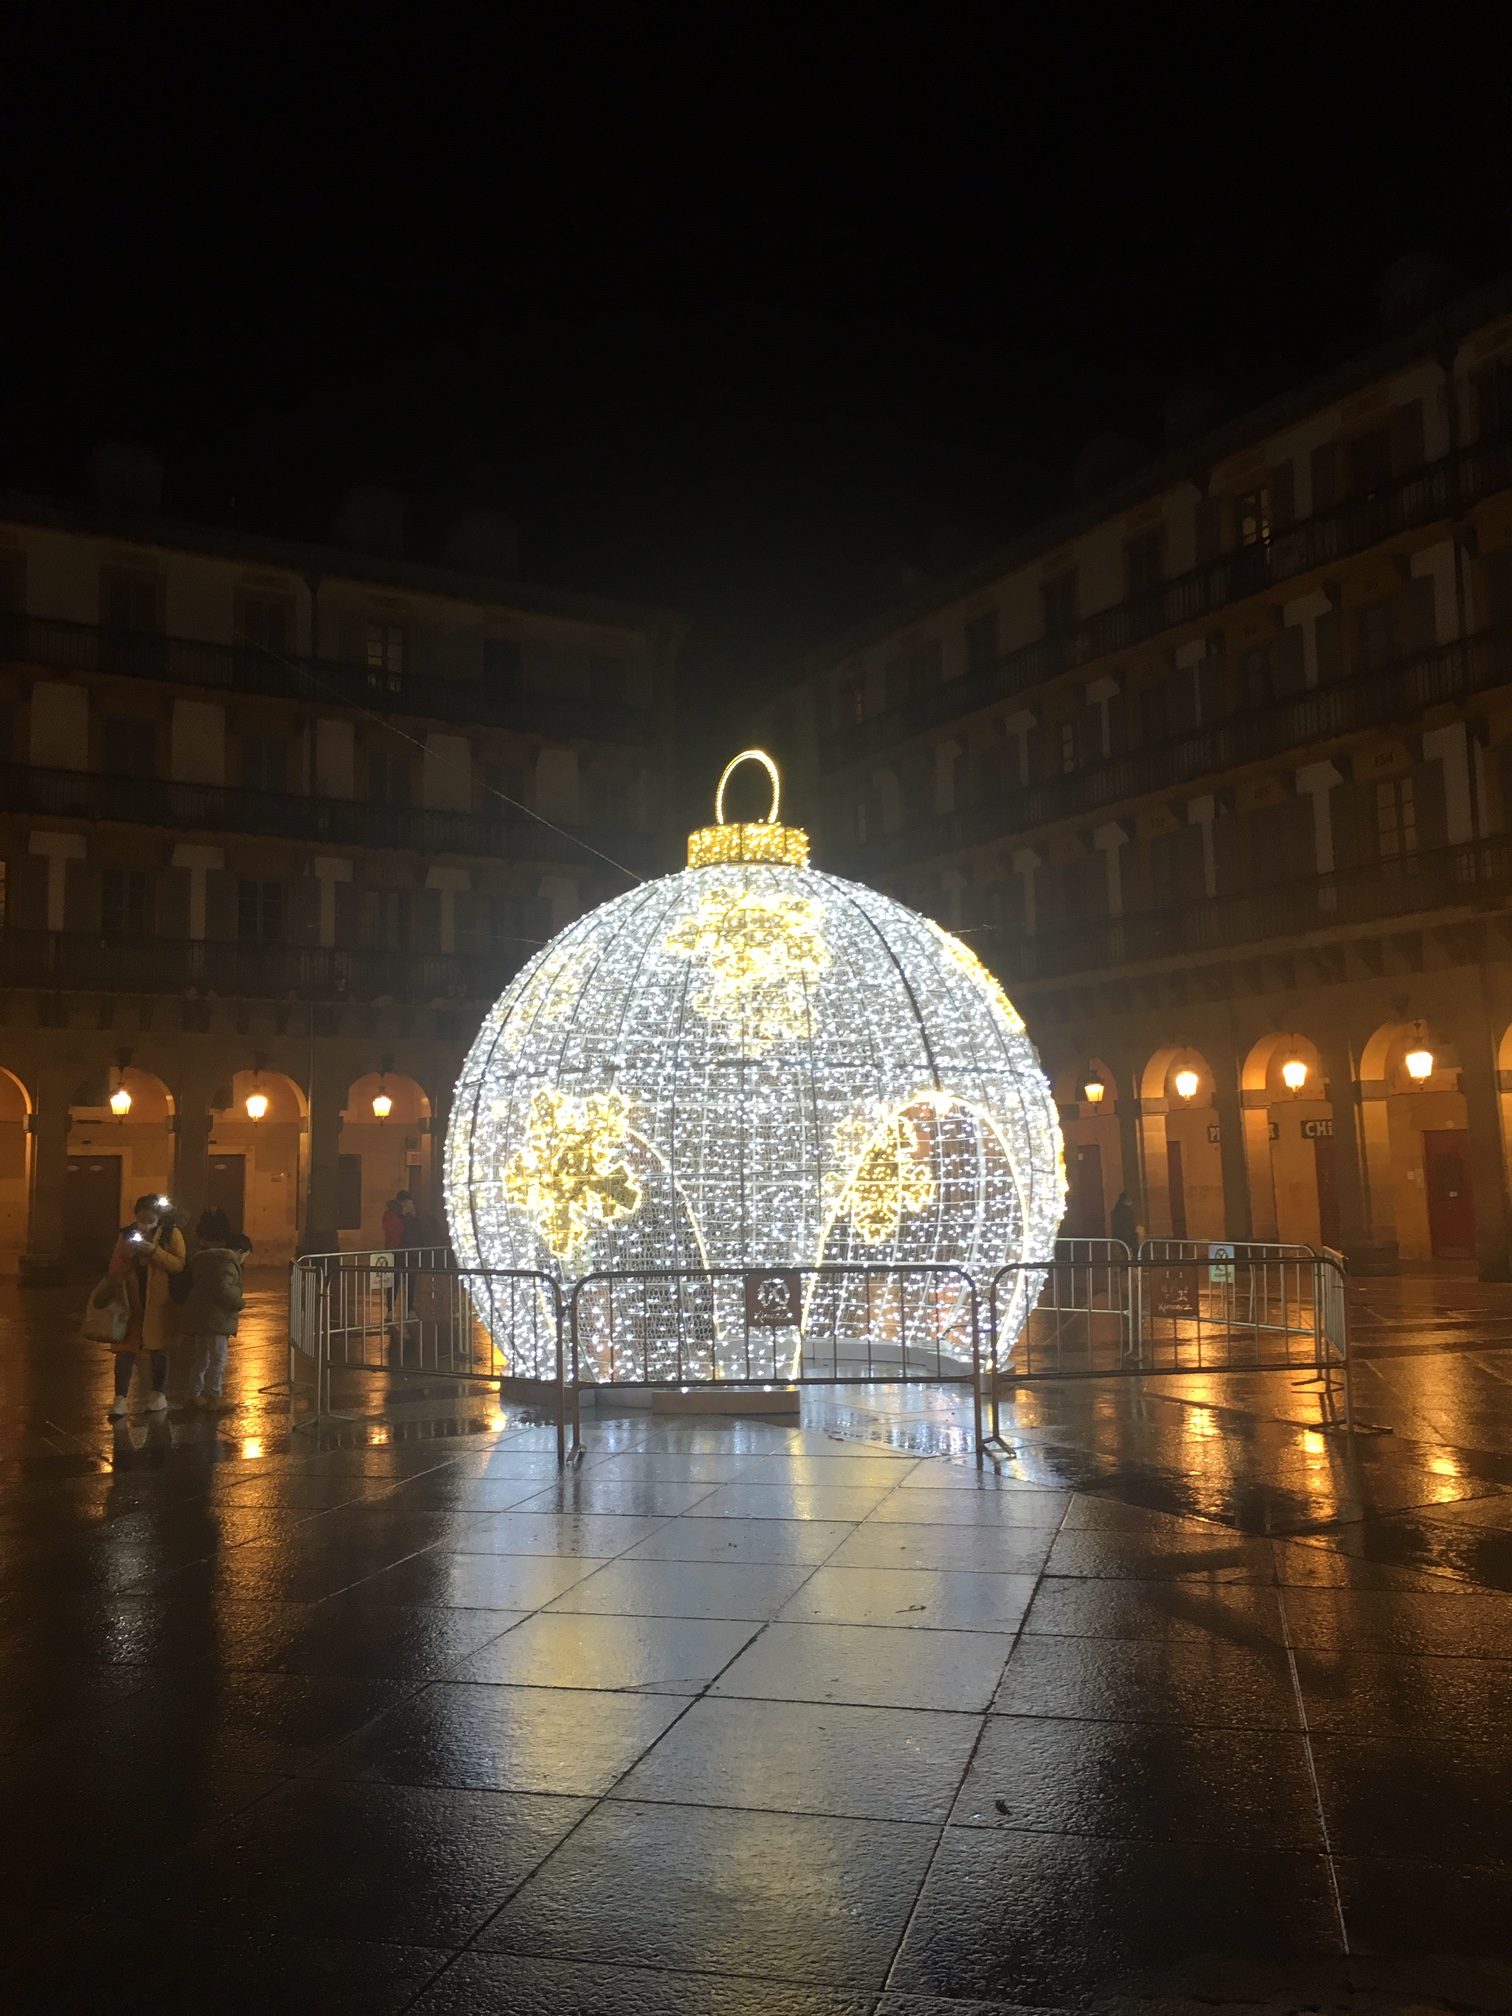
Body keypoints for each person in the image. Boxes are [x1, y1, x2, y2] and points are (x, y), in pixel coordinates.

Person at [105, 1194, 187, 1417]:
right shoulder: (127, 1233)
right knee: (125, 1351)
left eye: (150, 1216)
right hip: (131, 1301)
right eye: (141, 1215)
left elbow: (178, 1264)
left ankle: (158, 1394)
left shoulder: (171, 1233)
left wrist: (153, 1251)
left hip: (159, 1301)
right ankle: (120, 1398)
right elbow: (115, 1266)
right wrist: (130, 1256)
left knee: (158, 1349)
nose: (145, 1219)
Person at [180, 1208, 245, 1410]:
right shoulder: (223, 1261)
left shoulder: (200, 1258)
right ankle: (213, 1396)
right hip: (216, 1319)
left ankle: (194, 1394)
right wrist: (238, 1302)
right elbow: (222, 1290)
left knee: (201, 1358)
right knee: (218, 1358)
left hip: (200, 1316)